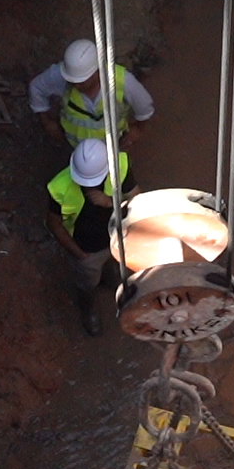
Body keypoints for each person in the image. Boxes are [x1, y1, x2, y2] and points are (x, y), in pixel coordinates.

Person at [46, 138, 134, 336]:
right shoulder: (59, 186)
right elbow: (54, 223)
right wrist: (78, 253)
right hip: (86, 249)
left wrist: (110, 202)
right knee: (87, 283)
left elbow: (137, 201)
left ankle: (108, 277)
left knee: (112, 263)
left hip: (115, 239)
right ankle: (88, 308)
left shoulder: (120, 165)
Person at [29, 39, 156, 148]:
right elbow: (36, 88)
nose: (75, 85)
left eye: (81, 81)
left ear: (97, 71)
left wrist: (137, 130)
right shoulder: (62, 75)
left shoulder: (124, 82)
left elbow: (145, 109)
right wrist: (47, 123)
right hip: (74, 146)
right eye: (72, 80)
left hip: (111, 147)